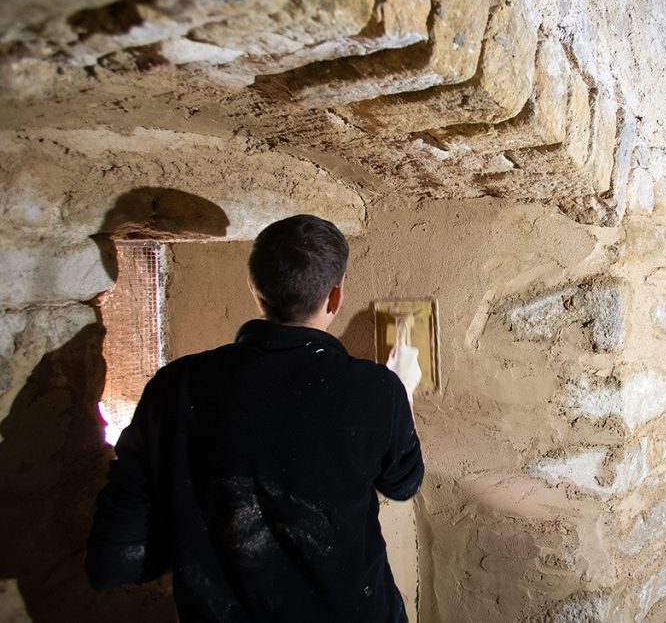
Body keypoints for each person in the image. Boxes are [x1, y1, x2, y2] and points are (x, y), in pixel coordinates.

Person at [86, 214, 424, 622]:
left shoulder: (175, 384)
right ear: (335, 298)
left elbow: (119, 550)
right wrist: (401, 392)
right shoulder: (375, 390)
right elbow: (404, 484)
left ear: (254, 289)